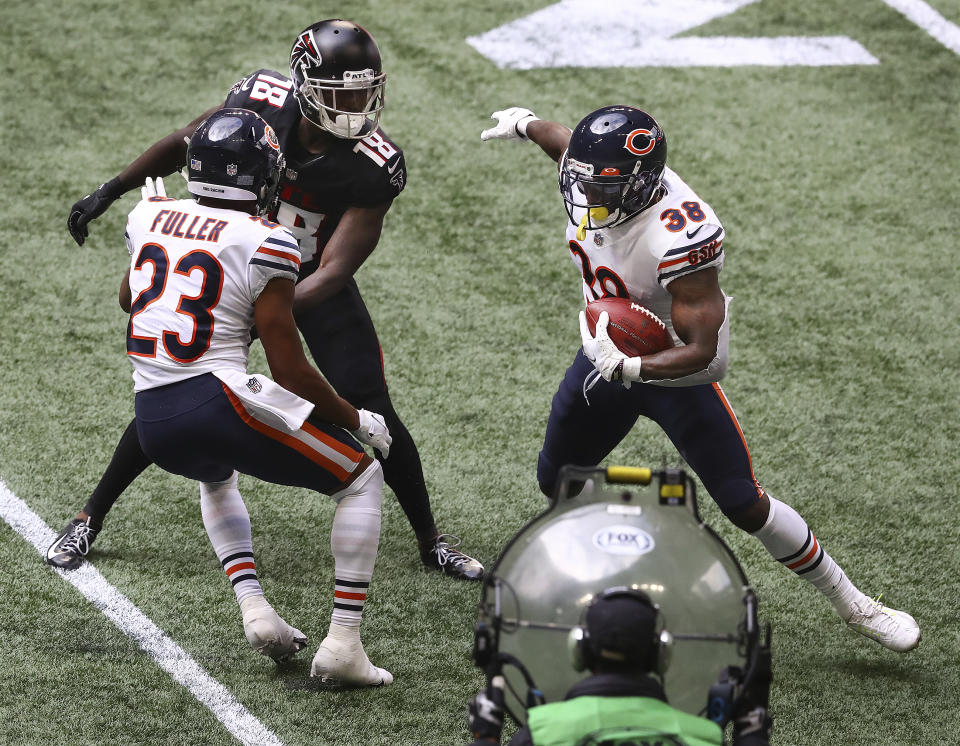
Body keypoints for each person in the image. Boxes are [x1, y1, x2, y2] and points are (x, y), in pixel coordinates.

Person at [46, 19, 483, 581]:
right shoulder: (259, 102)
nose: (356, 105)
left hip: (304, 285)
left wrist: (268, 310)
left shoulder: (375, 164)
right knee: (178, 387)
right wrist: (110, 190)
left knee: (373, 404)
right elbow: (187, 143)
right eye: (340, 92)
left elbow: (334, 270)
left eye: (363, 90)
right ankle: (90, 515)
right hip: (234, 267)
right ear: (304, 85)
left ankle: (432, 539)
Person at [479, 105, 920, 652]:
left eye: (603, 183)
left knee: (743, 501)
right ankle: (611, 575)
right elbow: (562, 143)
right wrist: (524, 122)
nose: (586, 193)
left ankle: (854, 602)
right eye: (582, 178)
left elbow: (706, 354)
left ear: (639, 184)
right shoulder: (595, 174)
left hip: (671, 371)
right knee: (557, 480)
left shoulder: (681, 236)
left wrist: (634, 367)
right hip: (605, 354)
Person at [117, 107, 393, 685]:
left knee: (216, 476)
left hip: (152, 416)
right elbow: (288, 367)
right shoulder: (269, 239)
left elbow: (129, 299)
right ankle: (344, 644)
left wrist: (153, 221)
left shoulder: (150, 215)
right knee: (362, 479)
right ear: (262, 175)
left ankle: (256, 611)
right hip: (219, 397)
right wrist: (355, 418)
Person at [467, 587, 773, 745]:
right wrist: (751, 732)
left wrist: (486, 737)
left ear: (580, 649)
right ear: (660, 654)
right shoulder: (701, 736)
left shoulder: (544, 732)